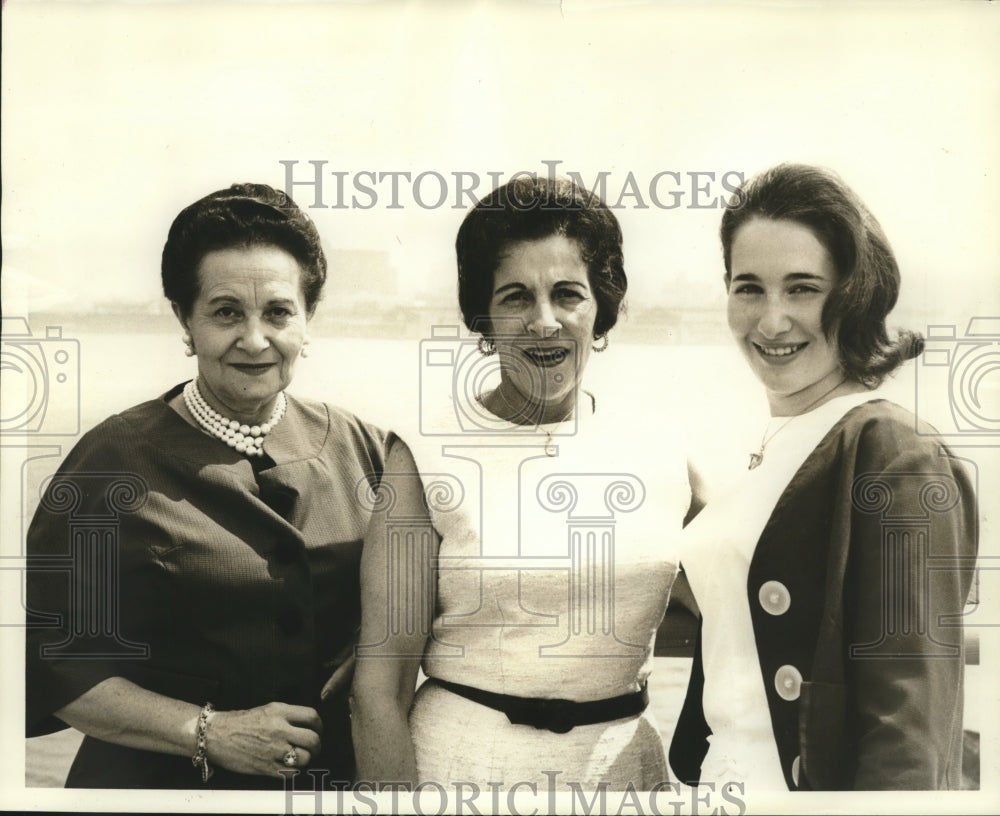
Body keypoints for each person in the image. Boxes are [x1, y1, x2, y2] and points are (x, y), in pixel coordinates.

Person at [25, 183, 384, 789]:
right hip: (160, 789)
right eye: (225, 312)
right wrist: (209, 731)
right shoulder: (113, 461)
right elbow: (48, 665)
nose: (253, 339)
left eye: (277, 312)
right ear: (184, 321)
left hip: (334, 787)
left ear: (307, 321)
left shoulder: (366, 448)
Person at [350, 175, 694, 790]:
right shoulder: (425, 455)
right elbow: (379, 691)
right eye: (515, 297)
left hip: (624, 780)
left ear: (601, 309)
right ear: (483, 316)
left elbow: (750, 603)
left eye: (568, 294)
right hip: (458, 778)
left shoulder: (668, 452)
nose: (544, 322)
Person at [668, 163, 978, 791]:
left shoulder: (894, 453)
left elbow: (908, 724)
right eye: (748, 287)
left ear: (855, 294)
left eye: (803, 288)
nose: (772, 321)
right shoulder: (772, 442)